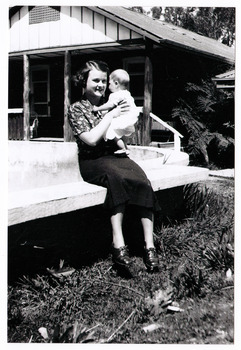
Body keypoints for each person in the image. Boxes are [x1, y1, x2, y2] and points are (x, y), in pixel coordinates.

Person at [67, 60, 159, 275]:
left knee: (142, 181)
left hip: (115, 157)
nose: (100, 84)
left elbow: (125, 131)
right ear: (84, 81)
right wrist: (110, 116)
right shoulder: (77, 108)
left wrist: (126, 121)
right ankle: (118, 245)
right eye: (95, 80)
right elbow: (90, 140)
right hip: (93, 161)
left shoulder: (114, 101)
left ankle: (150, 246)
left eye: (103, 81)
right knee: (116, 179)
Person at [92, 69, 139, 155]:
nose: (108, 86)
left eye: (109, 83)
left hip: (122, 117)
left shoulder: (115, 95)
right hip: (129, 118)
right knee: (122, 134)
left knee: (112, 132)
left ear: (116, 84)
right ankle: (125, 147)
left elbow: (110, 105)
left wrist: (97, 109)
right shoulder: (127, 93)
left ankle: (122, 148)